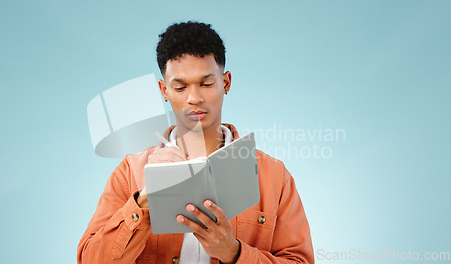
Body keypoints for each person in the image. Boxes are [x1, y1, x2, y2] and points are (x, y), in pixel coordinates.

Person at [77, 21, 314, 264]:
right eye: (179, 87)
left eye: (206, 84)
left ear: (226, 83)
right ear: (164, 91)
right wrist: (144, 202)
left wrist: (233, 253)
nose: (194, 98)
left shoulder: (273, 176)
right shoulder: (130, 173)